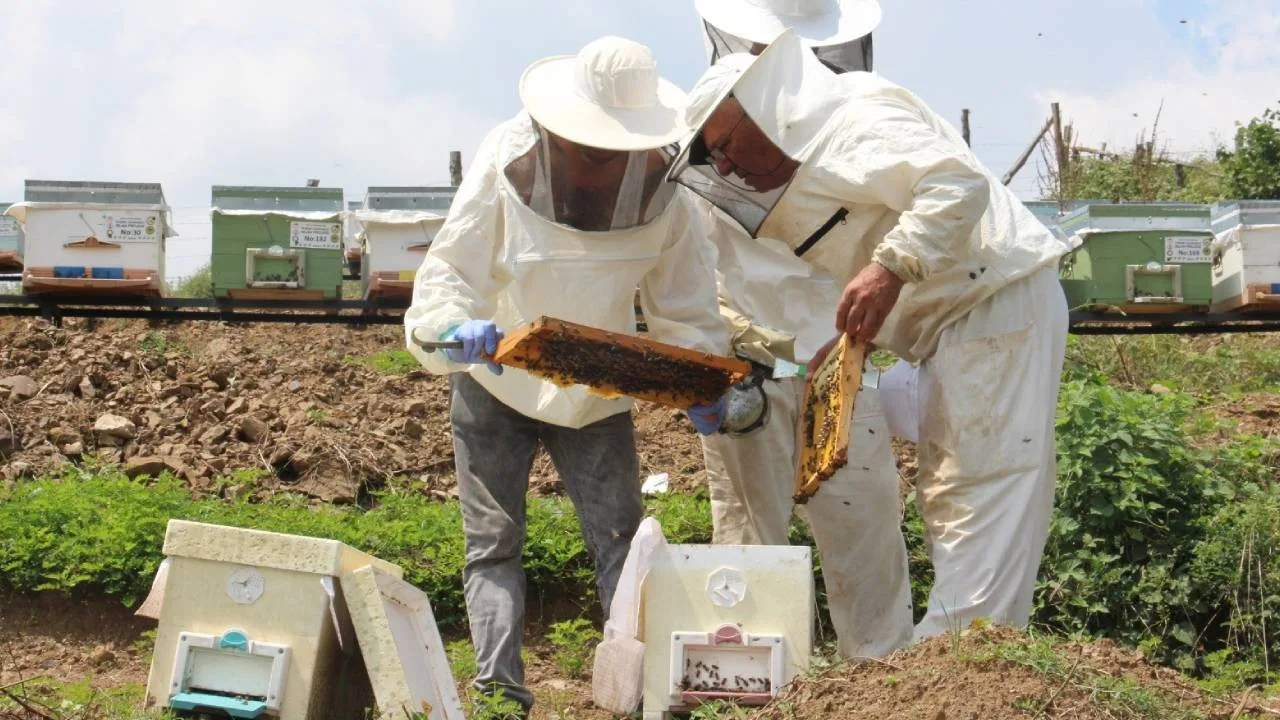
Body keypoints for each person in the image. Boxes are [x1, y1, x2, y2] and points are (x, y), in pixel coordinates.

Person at [669, 30, 1072, 642]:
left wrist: (889, 268)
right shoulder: (824, 139)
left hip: (993, 309)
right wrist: (856, 343)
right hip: (957, 325)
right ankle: (956, 666)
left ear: (759, 105)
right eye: (710, 158)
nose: (722, 166)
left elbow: (957, 185)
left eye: (722, 145)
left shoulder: (854, 116)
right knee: (950, 493)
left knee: (983, 489)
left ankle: (964, 669)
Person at [403, 36, 727, 715]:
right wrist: (453, 327)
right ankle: (499, 698)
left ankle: (640, 696)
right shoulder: (503, 158)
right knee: (493, 543)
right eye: (591, 149)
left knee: (621, 540)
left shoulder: (670, 195)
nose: (605, 165)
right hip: (493, 382)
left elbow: (685, 307)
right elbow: (448, 275)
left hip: (595, 391)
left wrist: (701, 377)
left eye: (619, 152)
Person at [690, 0, 917, 660]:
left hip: (837, 358)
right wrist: (727, 338)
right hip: (748, 364)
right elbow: (691, 257)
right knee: (747, 535)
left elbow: (891, 239)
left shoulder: (859, 121)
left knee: (863, 525)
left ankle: (881, 687)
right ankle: (753, 680)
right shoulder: (712, 117)